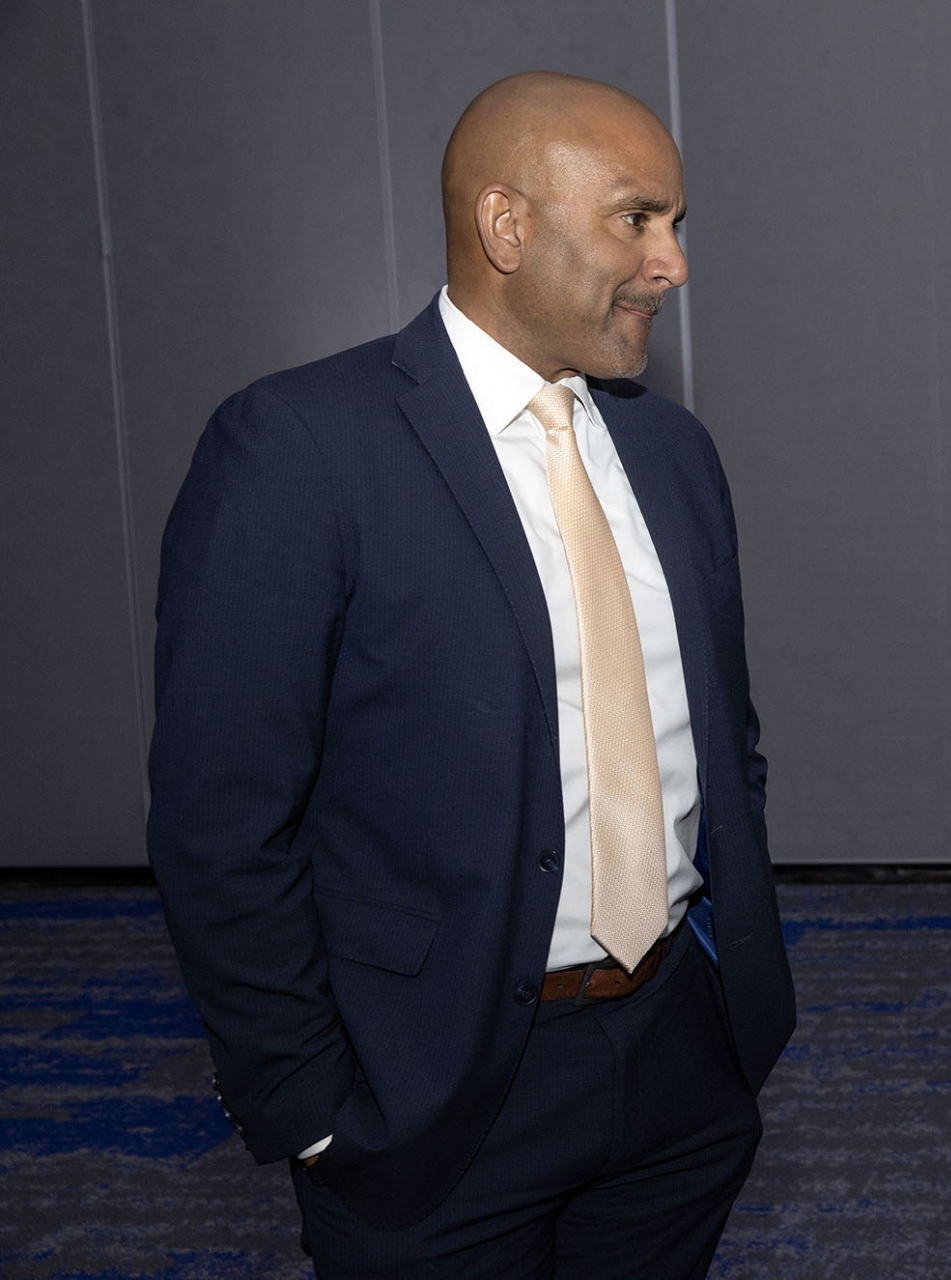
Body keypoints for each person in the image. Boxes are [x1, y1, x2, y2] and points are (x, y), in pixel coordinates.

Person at [148, 72, 793, 1278]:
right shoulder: (298, 449)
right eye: (637, 220)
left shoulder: (674, 452)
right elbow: (220, 824)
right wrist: (313, 1106)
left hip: (680, 1069)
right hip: (429, 1099)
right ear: (507, 227)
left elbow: (722, 745)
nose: (673, 264)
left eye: (677, 225)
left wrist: (731, 1008)